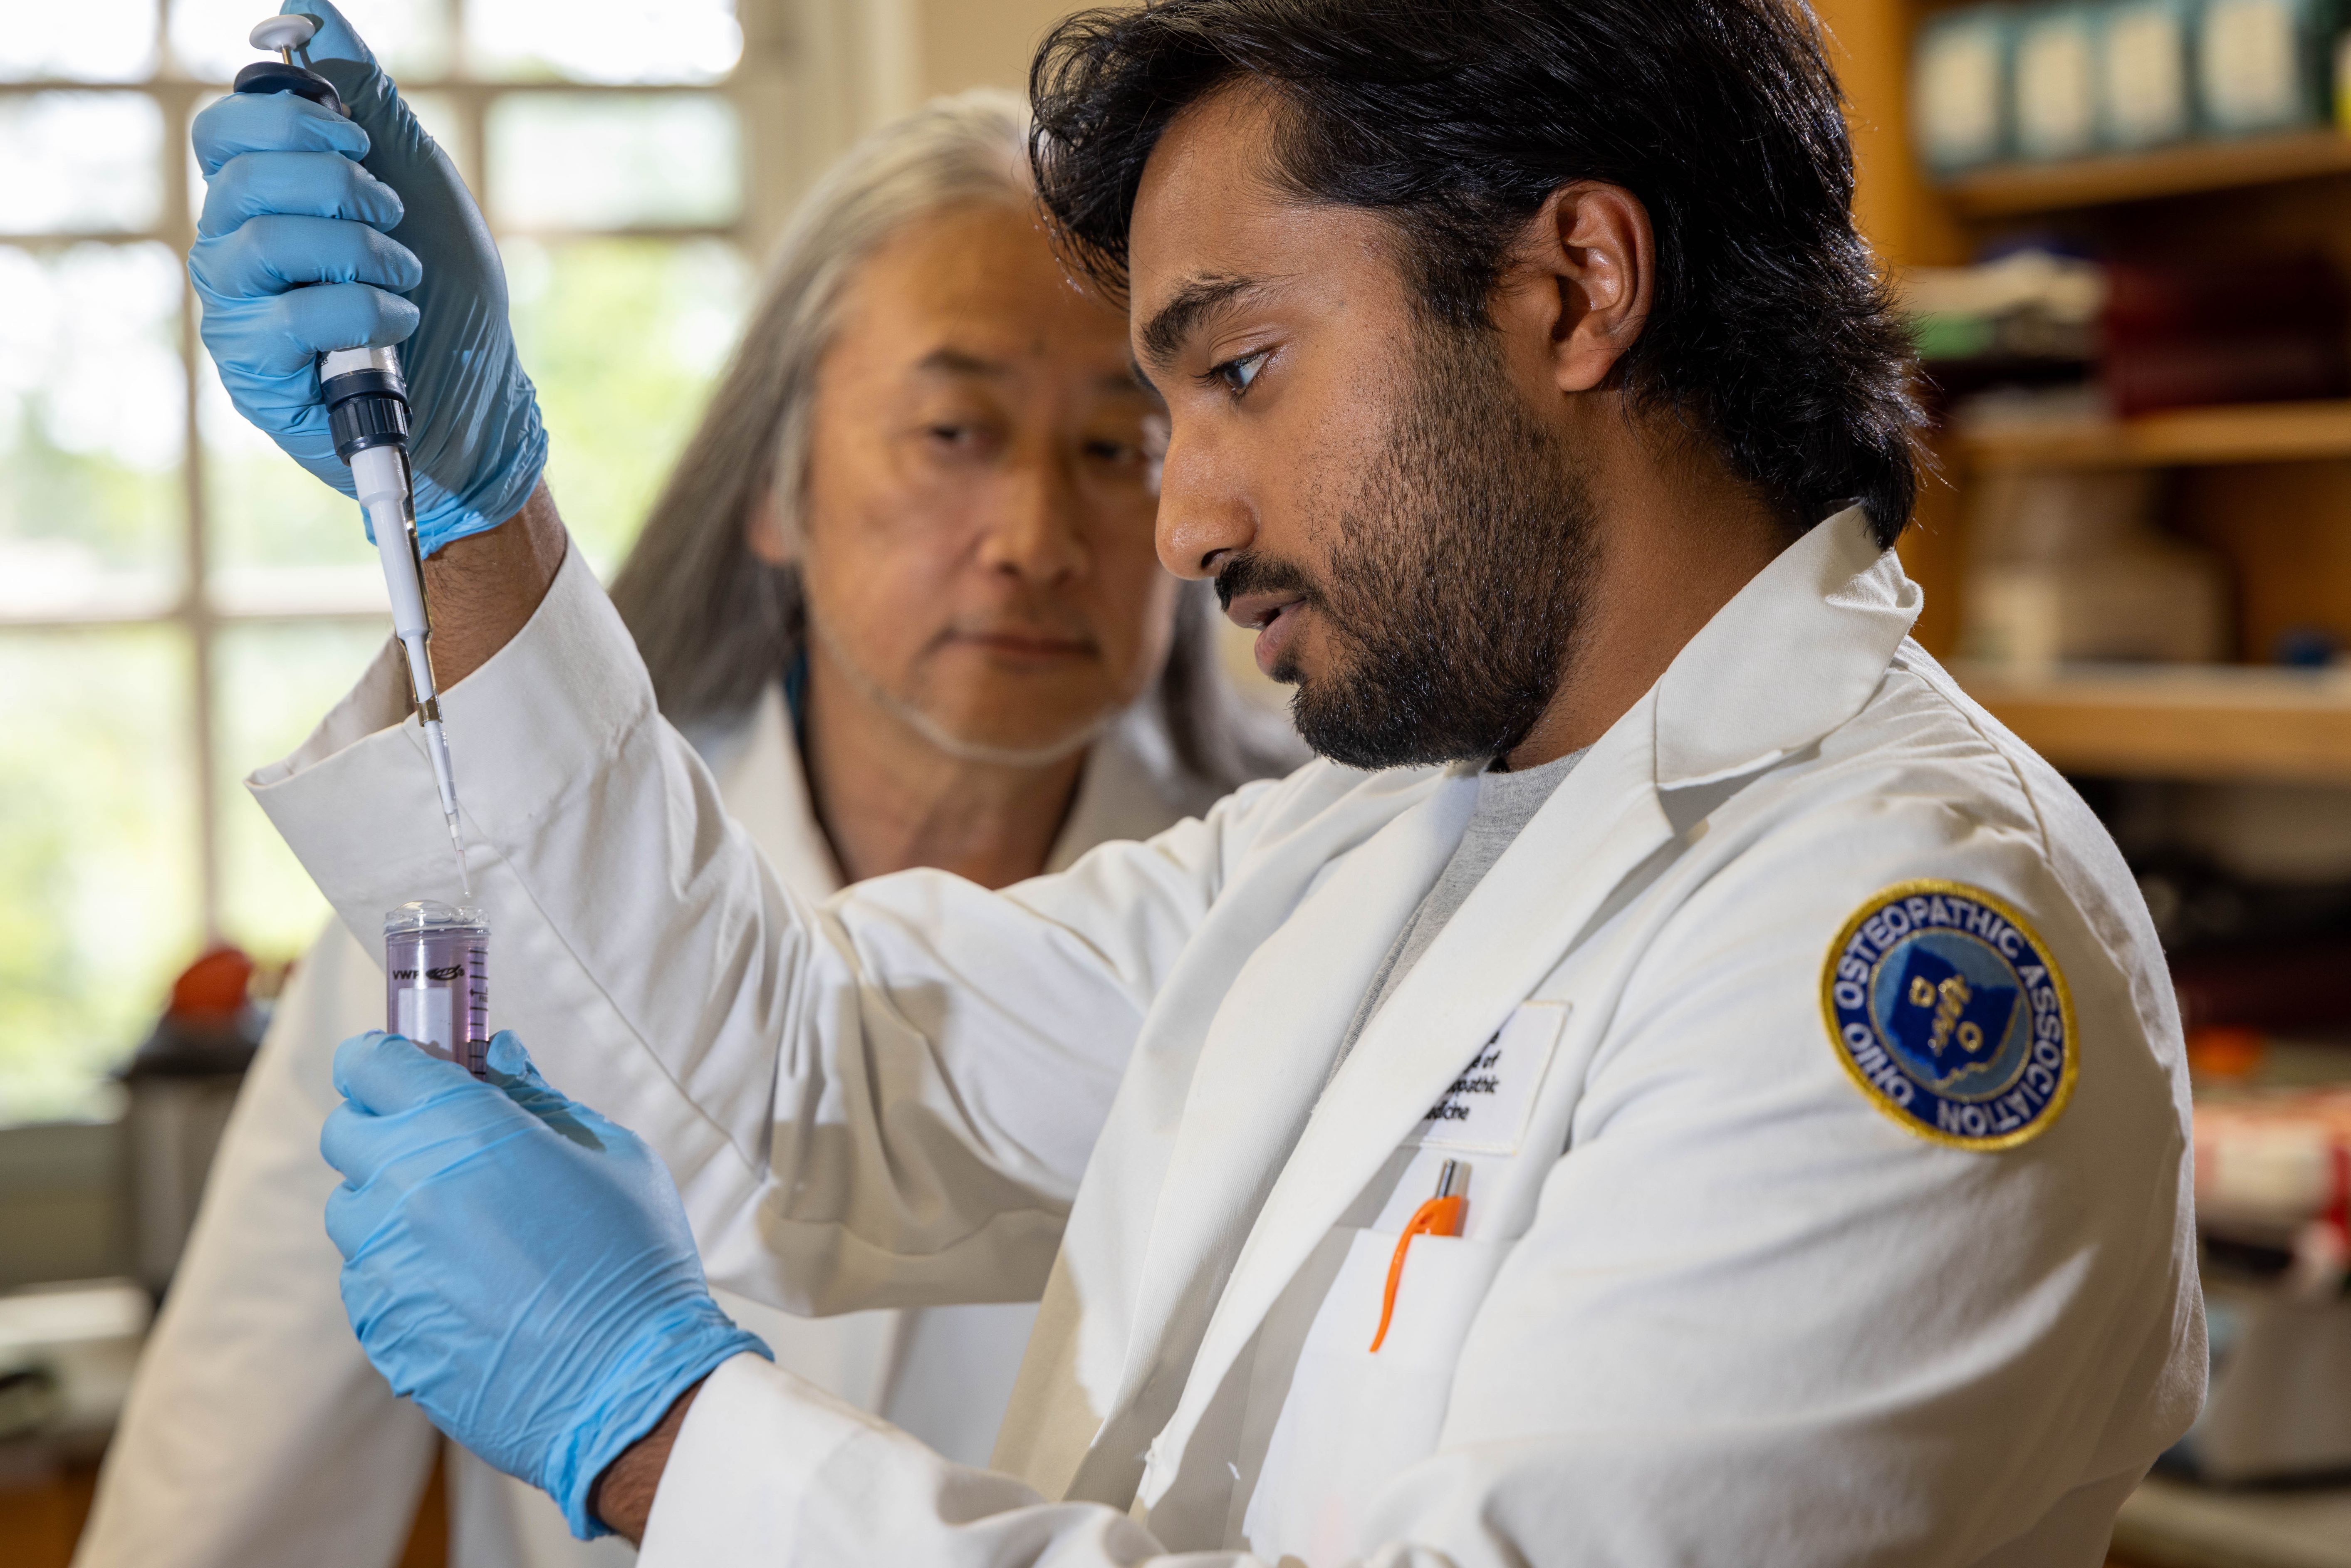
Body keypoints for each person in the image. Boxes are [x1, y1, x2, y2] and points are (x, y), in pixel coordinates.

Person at [205, 1, 2205, 1563]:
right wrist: (478, 510)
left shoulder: (1901, 946)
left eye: (1236, 372)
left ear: (1576, 285)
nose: (1179, 526)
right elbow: (816, 1075)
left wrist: (664, 1433)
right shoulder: (1387, 825)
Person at [77, 86, 1293, 1568]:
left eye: (1118, 449)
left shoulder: (1286, 910)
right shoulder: (472, 897)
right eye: (954, 427)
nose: (1036, 538)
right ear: (775, 488)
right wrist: (471, 504)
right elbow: (237, 1485)